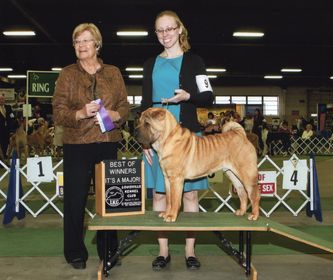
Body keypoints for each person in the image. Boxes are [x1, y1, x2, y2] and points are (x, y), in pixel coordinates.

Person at [140, 10, 214, 270]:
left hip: (187, 137)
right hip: (158, 141)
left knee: (190, 195)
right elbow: (144, 104)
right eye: (160, 30)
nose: (165, 35)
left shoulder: (195, 61)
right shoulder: (150, 63)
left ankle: (190, 251)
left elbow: (208, 97)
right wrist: (146, 142)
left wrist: (187, 95)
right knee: (159, 196)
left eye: (169, 29)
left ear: (180, 29)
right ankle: (163, 252)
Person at [52, 23, 129, 270]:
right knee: (75, 201)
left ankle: (109, 250)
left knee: (111, 200)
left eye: (86, 41)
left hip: (108, 144)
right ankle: (75, 252)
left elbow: (126, 106)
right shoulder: (67, 74)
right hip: (77, 145)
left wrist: (117, 115)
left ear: (97, 44)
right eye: (77, 41)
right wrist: (80, 113)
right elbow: (58, 112)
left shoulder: (114, 72)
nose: (81, 46)